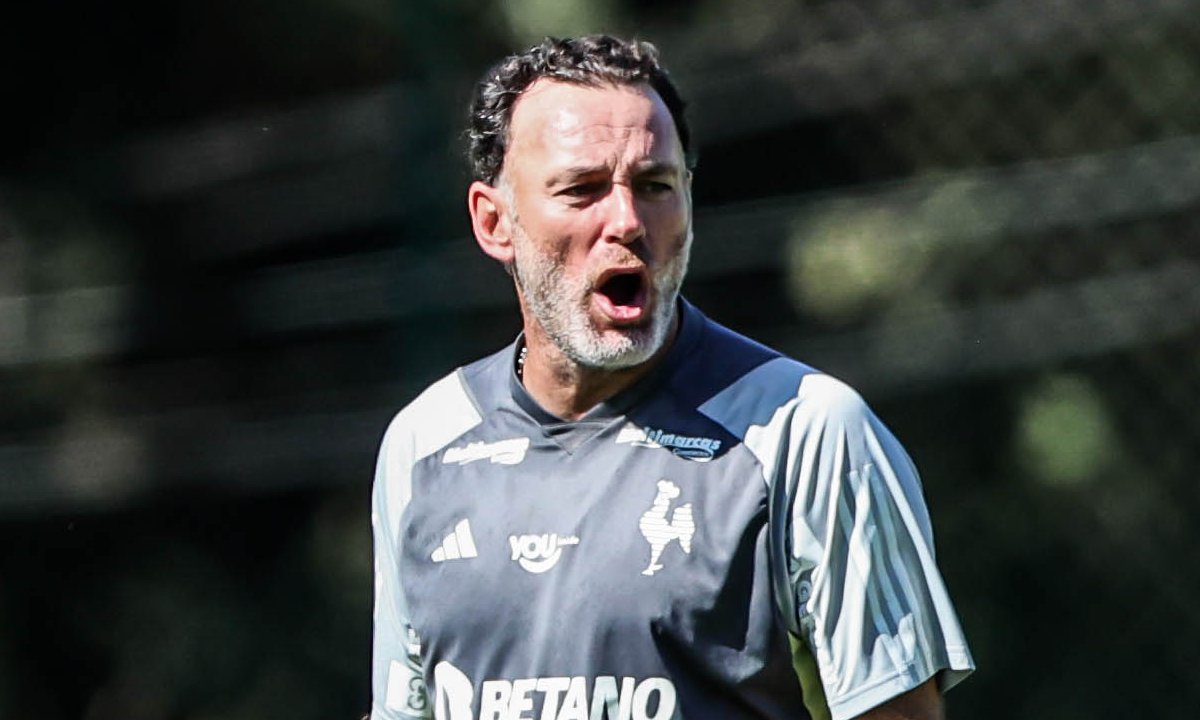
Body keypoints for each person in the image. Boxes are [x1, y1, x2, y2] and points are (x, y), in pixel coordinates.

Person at [369, 34, 974, 720]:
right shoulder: (424, 444)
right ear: (493, 221)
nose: (627, 221)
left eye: (655, 186)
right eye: (583, 189)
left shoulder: (809, 432)